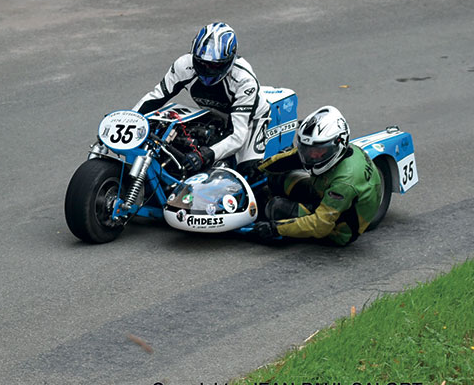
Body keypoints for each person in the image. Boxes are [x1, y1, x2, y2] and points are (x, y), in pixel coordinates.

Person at [132, 22, 270, 175]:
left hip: (250, 121)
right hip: (215, 115)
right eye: (202, 63)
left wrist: (206, 154)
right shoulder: (184, 65)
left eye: (214, 66)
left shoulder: (243, 80)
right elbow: (156, 97)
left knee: (248, 172)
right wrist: (128, 120)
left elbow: (238, 136)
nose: (206, 70)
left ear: (229, 60)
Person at [251, 106, 382, 246]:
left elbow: (320, 225)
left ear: (338, 143)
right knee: (278, 178)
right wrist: (260, 167)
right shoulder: (339, 151)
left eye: (319, 150)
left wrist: (276, 228)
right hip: (323, 190)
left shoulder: (345, 183)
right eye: (307, 149)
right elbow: (294, 156)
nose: (311, 156)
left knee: (276, 208)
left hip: (338, 227)